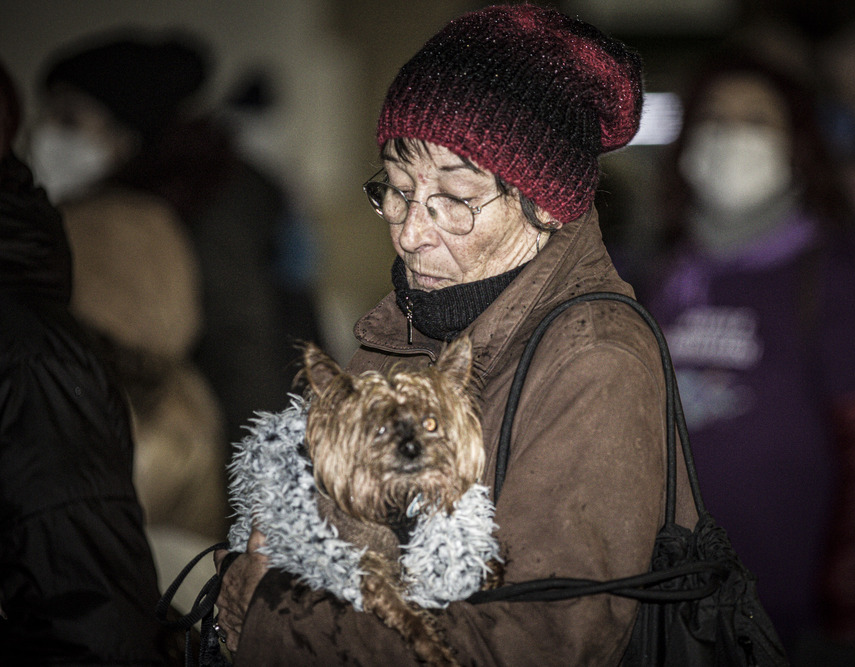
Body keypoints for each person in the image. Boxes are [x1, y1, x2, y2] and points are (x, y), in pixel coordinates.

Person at [212, 5, 698, 664]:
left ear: (546, 204)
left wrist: (266, 622)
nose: (411, 230)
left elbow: (538, 645)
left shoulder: (595, 362)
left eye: (453, 197)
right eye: (398, 189)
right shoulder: (413, 326)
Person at [639, 54, 855, 663]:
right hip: (664, 606)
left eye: (757, 121)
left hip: (788, 614)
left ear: (798, 143)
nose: (732, 136)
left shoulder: (841, 273)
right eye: (715, 119)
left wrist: (847, 614)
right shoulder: (664, 271)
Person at [31, 29, 322, 449]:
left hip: (235, 441)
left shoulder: (205, 203)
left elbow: (241, 347)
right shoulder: (165, 196)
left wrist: (261, 488)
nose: (46, 135)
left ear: (125, 131)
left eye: (70, 120)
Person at [0, 58, 171, 665]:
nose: (50, 133)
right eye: (47, 116)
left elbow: (91, 611)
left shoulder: (124, 224)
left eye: (71, 118)